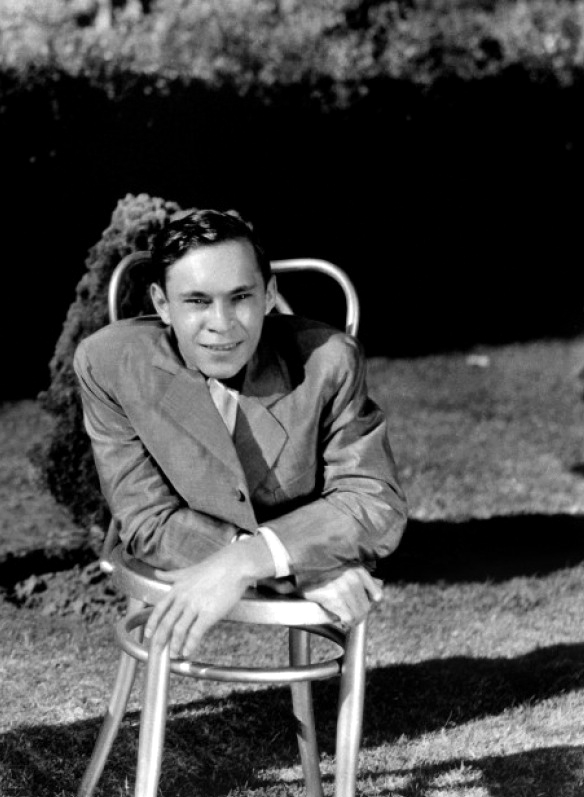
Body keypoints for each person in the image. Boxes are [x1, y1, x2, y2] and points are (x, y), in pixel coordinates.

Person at [74, 209, 407, 658]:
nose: (222, 323)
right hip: (209, 552)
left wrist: (248, 561)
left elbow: (374, 501)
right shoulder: (110, 364)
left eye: (241, 297)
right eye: (197, 301)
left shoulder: (328, 362)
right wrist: (287, 563)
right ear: (161, 304)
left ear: (269, 295)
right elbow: (145, 517)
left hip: (283, 550)